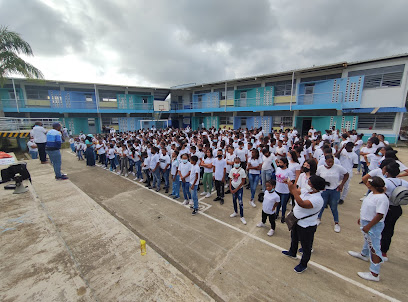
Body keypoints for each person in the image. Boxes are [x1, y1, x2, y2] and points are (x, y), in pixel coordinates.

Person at [282, 175, 326, 273]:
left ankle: (303, 264)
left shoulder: (318, 199)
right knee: (294, 238)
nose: (307, 184)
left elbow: (302, 203)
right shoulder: (306, 191)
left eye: (309, 183)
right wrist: (290, 185)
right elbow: (294, 193)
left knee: (306, 246)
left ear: (315, 186)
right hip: (296, 221)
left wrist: (293, 188)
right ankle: (292, 252)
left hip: (307, 226)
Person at [348, 176, 389, 282]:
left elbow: (380, 215)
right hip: (366, 221)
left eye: (369, 183)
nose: (367, 183)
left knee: (374, 247)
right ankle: (364, 254)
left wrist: (368, 225)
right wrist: (362, 219)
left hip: (373, 225)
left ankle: (374, 273)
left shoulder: (381, 198)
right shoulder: (372, 193)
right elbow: (368, 208)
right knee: (368, 241)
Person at [316, 155, 349, 233]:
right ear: (325, 161)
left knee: (334, 207)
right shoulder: (320, 168)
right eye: (329, 162)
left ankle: (336, 223)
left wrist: (341, 184)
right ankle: (318, 218)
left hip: (335, 190)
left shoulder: (338, 167)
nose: (331, 163)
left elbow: (346, 174)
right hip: (324, 190)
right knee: (322, 205)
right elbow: (317, 178)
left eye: (332, 162)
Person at [275, 157, 294, 223]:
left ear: (285, 164)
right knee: (277, 203)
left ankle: (283, 216)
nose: (279, 164)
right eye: (279, 162)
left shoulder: (289, 171)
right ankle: (276, 214)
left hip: (285, 191)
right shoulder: (277, 169)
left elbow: (292, 181)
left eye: (281, 162)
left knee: (283, 204)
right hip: (277, 189)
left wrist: (287, 180)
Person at [229, 157, 247, 225]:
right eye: (235, 162)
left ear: (240, 163)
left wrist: (237, 189)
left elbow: (243, 181)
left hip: (239, 188)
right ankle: (235, 211)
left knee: (240, 202)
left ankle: (242, 216)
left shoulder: (242, 171)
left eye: (238, 162)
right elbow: (230, 179)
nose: (236, 164)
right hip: (233, 186)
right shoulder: (232, 170)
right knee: (234, 200)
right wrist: (230, 188)